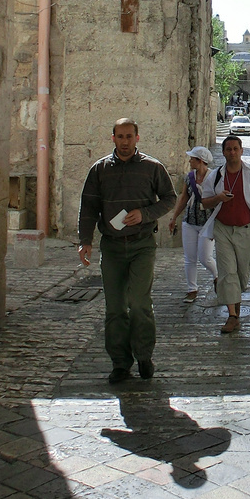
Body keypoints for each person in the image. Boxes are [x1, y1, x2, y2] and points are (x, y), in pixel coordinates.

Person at [78, 118, 176, 384]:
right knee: (115, 308)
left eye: (129, 136)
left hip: (142, 244)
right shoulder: (99, 170)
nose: (124, 142)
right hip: (111, 247)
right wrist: (85, 240)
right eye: (119, 137)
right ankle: (120, 363)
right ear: (113, 138)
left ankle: (144, 354)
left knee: (140, 303)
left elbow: (169, 198)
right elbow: (88, 207)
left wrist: (144, 214)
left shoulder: (152, 168)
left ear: (137, 138)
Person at [200, 135, 250, 334]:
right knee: (227, 272)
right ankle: (233, 316)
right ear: (224, 152)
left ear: (241, 151)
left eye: (236, 148)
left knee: (242, 273)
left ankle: (235, 301)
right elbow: (204, 202)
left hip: (245, 230)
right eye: (228, 149)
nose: (232, 152)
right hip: (223, 228)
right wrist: (218, 198)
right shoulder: (216, 176)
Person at [168, 146, 218, 302]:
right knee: (189, 258)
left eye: (192, 158)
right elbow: (184, 198)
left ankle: (217, 276)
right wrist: (174, 217)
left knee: (205, 258)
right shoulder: (189, 177)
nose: (189, 160)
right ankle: (192, 289)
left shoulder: (214, 178)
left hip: (207, 223)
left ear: (200, 161)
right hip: (190, 221)